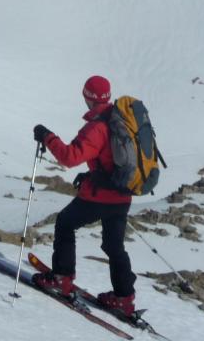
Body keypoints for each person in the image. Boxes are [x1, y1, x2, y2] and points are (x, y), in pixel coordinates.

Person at [31, 75, 137, 317]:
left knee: (65, 222)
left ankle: (61, 279)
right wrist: (90, 175)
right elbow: (111, 161)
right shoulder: (123, 121)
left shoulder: (98, 126)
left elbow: (69, 157)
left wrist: (48, 137)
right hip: (123, 195)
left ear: (87, 97)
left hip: (101, 197)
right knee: (114, 245)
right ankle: (124, 298)